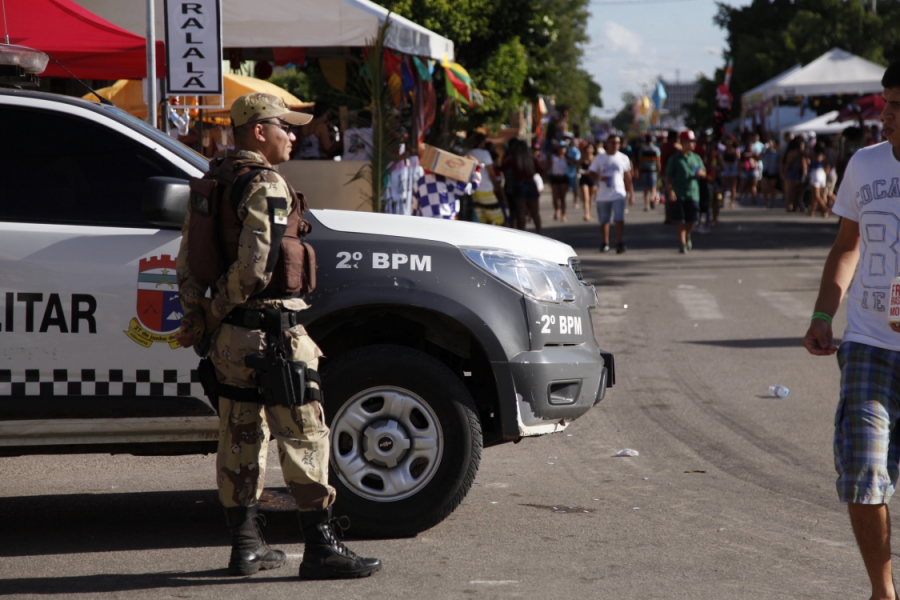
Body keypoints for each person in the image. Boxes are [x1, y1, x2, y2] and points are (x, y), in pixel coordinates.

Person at [174, 93, 382, 580]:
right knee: (304, 435)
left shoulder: (214, 179)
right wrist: (217, 310)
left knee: (240, 437)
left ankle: (246, 547)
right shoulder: (265, 184)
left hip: (230, 342)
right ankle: (321, 548)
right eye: (284, 126)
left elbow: (186, 260)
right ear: (258, 131)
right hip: (273, 338)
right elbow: (255, 267)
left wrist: (201, 315)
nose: (293, 134)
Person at [802, 61, 900, 600]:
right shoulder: (865, 164)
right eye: (885, 101)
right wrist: (823, 314)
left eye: (896, 105)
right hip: (869, 343)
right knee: (863, 470)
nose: (885, 114)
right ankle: (882, 592)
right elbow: (847, 245)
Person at [588, 133, 633, 254]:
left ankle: (619, 242)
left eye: (618, 143)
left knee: (619, 219)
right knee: (604, 220)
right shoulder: (600, 158)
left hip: (619, 193)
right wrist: (600, 177)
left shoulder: (623, 158)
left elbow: (628, 176)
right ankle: (605, 243)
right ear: (607, 144)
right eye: (613, 142)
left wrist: (631, 193)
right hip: (603, 194)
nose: (615, 145)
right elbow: (590, 172)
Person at [665, 130, 706, 254]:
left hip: (693, 193)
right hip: (679, 193)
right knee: (680, 220)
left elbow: (704, 173)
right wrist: (670, 190)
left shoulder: (696, 158)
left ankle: (687, 234)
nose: (693, 144)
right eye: (690, 141)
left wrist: (700, 173)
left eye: (694, 141)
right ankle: (682, 243)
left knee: (693, 220)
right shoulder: (675, 159)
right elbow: (668, 175)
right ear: (683, 142)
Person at [500, 139, 543, 234]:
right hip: (531, 185)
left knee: (521, 212)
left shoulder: (514, 159)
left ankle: (522, 232)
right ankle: (539, 231)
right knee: (535, 211)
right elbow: (540, 170)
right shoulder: (532, 159)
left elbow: (503, 167)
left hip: (519, 185)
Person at [467, 133, 506, 225]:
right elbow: (491, 172)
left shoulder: (468, 153)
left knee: (481, 219)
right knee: (499, 218)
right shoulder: (484, 153)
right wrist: (495, 185)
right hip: (486, 188)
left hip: (474, 189)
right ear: (480, 142)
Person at [782, 137, 808, 212]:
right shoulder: (794, 152)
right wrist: (785, 171)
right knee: (791, 190)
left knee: (797, 190)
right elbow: (788, 163)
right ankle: (789, 205)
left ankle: (795, 205)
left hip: (799, 172)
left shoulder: (802, 153)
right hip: (793, 171)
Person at [638, 133, 662, 211]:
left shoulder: (642, 149)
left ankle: (646, 205)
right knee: (653, 187)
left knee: (645, 188)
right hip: (653, 170)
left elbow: (640, 162)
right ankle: (652, 198)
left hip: (644, 170)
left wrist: (639, 171)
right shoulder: (656, 149)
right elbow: (658, 162)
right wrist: (659, 172)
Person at [807, 142, 830, 218]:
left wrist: (810, 148)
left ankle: (824, 208)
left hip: (816, 172)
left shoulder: (814, 155)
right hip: (822, 173)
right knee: (822, 194)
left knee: (816, 195)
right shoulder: (824, 155)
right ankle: (813, 211)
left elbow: (806, 155)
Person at [549, 142, 570, 222]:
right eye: (561, 148)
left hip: (563, 178)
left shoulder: (567, 158)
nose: (562, 150)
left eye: (564, 149)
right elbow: (548, 167)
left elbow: (574, 164)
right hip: (554, 178)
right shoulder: (553, 157)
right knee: (555, 197)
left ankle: (563, 215)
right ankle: (556, 209)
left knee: (562, 198)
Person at [578, 144, 597, 222]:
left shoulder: (595, 159)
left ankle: (589, 212)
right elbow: (578, 169)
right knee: (586, 198)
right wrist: (583, 171)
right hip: (584, 179)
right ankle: (586, 214)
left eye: (590, 148)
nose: (588, 150)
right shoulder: (582, 159)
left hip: (592, 179)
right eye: (587, 148)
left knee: (590, 198)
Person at [759, 139, 780, 209]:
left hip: (773, 171)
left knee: (772, 188)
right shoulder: (764, 153)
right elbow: (758, 157)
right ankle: (765, 201)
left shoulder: (776, 153)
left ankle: (771, 202)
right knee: (764, 188)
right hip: (766, 171)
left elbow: (779, 162)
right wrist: (763, 149)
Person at [720, 136, 739, 209]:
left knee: (733, 186)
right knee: (724, 186)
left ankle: (732, 202)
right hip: (726, 167)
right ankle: (722, 201)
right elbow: (722, 159)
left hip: (733, 167)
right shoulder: (725, 150)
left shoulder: (735, 150)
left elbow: (738, 158)